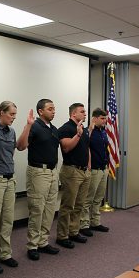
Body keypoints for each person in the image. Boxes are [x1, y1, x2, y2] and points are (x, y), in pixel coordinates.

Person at [0, 101, 34, 274]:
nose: (13, 118)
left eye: (15, 115)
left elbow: (17, 149)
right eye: (11, 114)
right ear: (1, 112)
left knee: (7, 220)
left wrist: (28, 126)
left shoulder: (11, 132)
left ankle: (5, 254)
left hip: (10, 181)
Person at [26, 98, 60, 261]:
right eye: (50, 109)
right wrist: (27, 125)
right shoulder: (35, 126)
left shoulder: (53, 129)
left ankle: (43, 242)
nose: (53, 111)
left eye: (54, 108)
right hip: (38, 172)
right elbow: (23, 145)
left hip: (53, 172)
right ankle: (32, 245)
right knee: (37, 209)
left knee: (49, 209)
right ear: (41, 111)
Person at [55, 103, 91, 249]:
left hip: (84, 171)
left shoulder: (83, 129)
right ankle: (62, 236)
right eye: (82, 112)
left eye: (85, 111)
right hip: (71, 171)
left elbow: (87, 148)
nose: (85, 114)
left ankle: (74, 232)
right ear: (73, 114)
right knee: (68, 205)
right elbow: (66, 147)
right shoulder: (65, 129)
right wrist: (77, 135)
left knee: (79, 205)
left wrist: (89, 165)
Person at [80, 108, 111, 237]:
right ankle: (84, 225)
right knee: (88, 199)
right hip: (93, 170)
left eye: (105, 118)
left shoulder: (103, 131)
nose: (104, 121)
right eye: (102, 119)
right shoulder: (88, 132)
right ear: (94, 118)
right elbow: (84, 145)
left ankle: (95, 222)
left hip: (103, 169)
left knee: (98, 198)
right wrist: (90, 130)